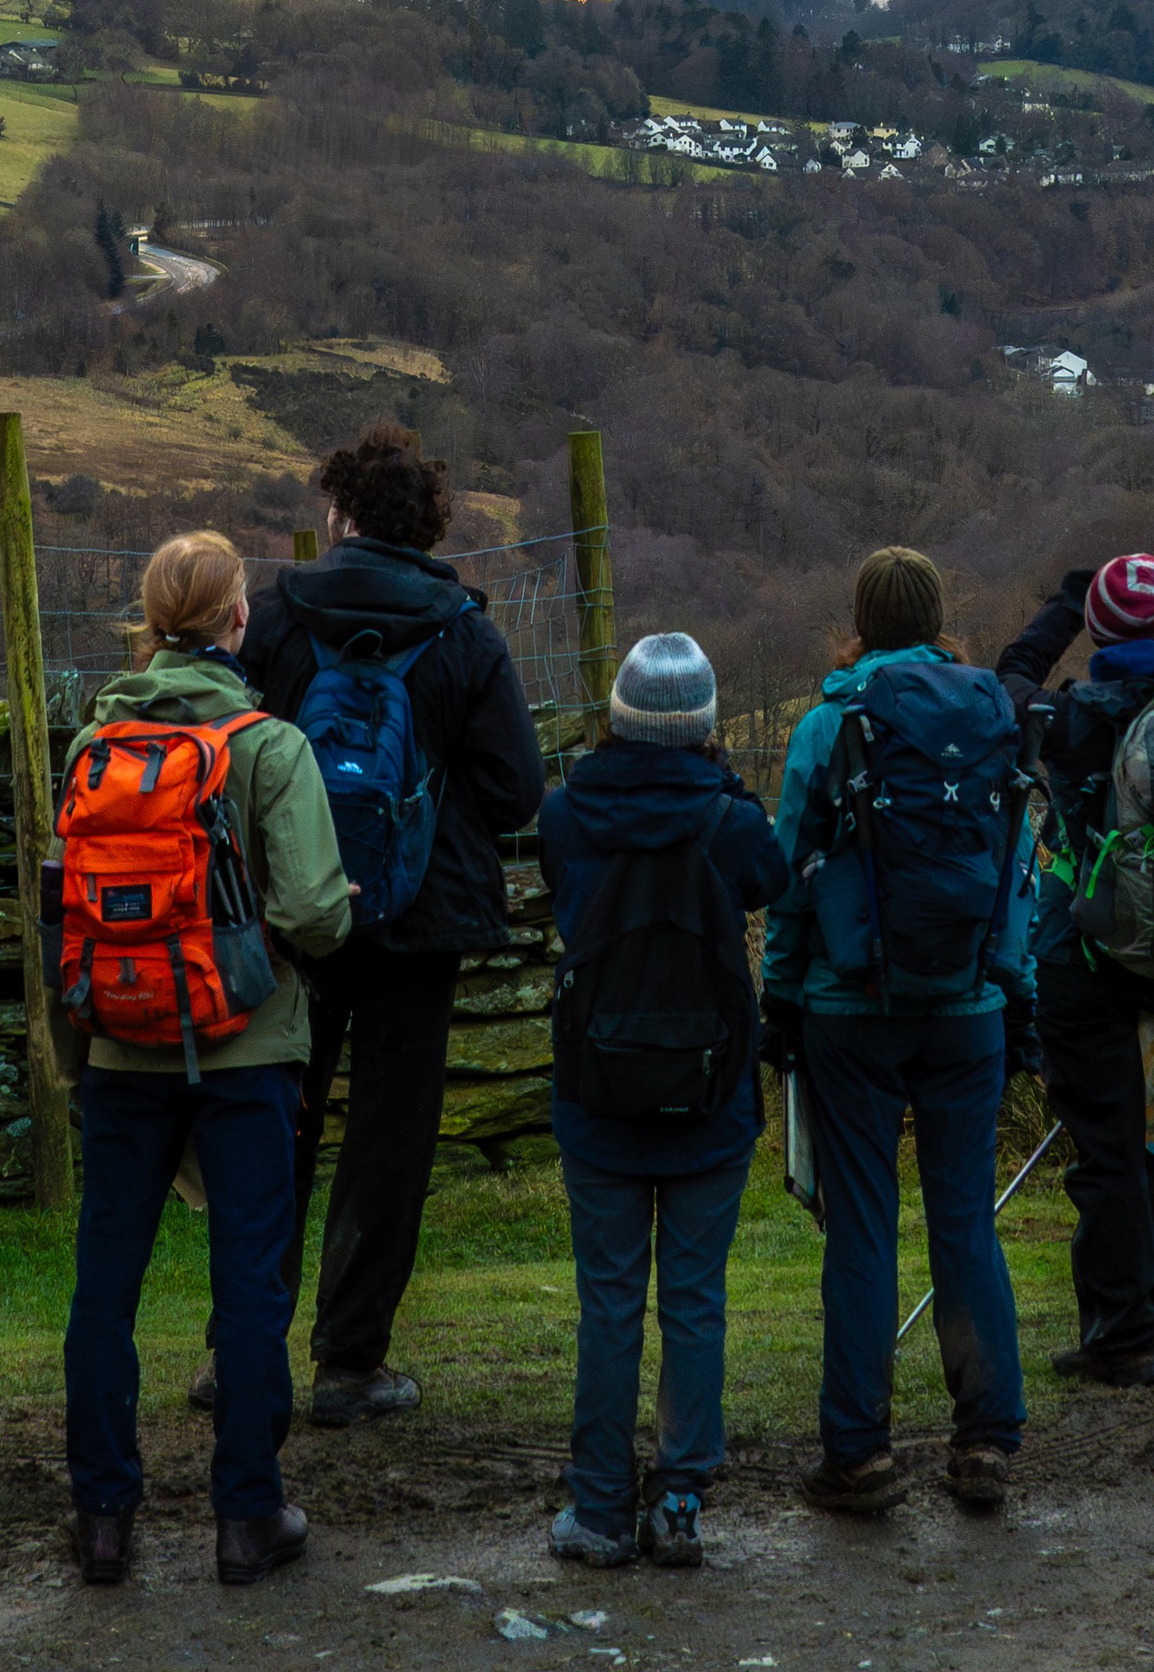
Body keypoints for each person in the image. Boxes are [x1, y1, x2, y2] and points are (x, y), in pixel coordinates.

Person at [231, 422, 544, 1425]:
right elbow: (515, 789)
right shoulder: (465, 632)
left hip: (296, 911)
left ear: (340, 513)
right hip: (421, 914)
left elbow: (230, 759)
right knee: (389, 1136)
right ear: (427, 524)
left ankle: (241, 1350)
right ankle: (350, 1360)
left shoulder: (279, 616)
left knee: (275, 1119)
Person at [60, 531, 354, 1588]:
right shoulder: (268, 745)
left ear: (150, 621)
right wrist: (291, 928)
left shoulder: (93, 741)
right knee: (249, 1283)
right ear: (238, 619)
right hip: (248, 1046)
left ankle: (103, 1516)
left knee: (106, 1284)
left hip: (119, 1043)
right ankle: (247, 1513)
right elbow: (316, 911)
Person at [762, 547, 1032, 1518]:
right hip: (969, 1008)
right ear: (936, 616)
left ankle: (859, 1453)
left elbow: (790, 876)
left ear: (862, 620)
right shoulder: (991, 719)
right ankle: (986, 1437)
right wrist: (1012, 985)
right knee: (965, 1222)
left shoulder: (830, 725)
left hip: (850, 1009)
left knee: (862, 1229)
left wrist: (780, 996)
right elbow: (1015, 867)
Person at [539, 632, 789, 1570]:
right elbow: (771, 879)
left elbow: (560, 888)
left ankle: (599, 1508)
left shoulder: (566, 813)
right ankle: (679, 1499)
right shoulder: (729, 822)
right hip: (709, 1096)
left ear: (618, 716)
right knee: (694, 1300)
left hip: (597, 1095)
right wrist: (731, 787)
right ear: (705, 724)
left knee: (608, 1303)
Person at [996, 552, 1154, 1388]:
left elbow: (1008, 679)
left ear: (1099, 631)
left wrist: (1066, 604)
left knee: (1107, 1148)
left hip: (1082, 956)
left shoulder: (1074, 718)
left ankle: (1121, 1335)